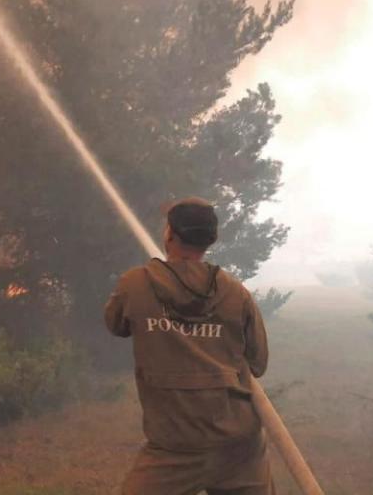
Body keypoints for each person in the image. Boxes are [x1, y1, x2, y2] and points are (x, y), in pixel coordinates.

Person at [104, 197, 274, 495]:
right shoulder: (236, 292)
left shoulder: (135, 284)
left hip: (174, 449)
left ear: (169, 234)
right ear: (211, 239)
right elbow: (258, 363)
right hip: (239, 448)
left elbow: (116, 325)